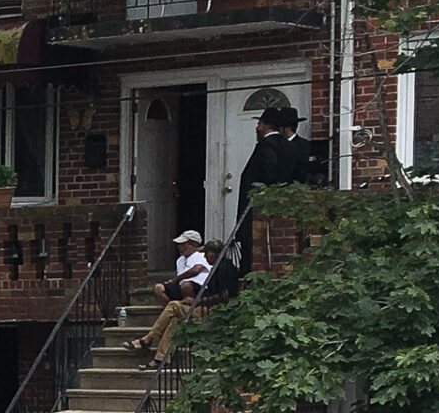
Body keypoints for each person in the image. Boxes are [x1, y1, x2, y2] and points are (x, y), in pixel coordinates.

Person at [126, 239, 239, 370]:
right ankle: (161, 359)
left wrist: (197, 301)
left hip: (215, 312)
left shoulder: (226, 269)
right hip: (205, 307)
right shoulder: (217, 267)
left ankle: (149, 338)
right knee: (174, 320)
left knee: (173, 305)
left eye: (206, 254)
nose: (204, 256)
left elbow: (225, 296)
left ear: (213, 254)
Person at [234, 107, 297, 275]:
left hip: (258, 209)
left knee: (252, 250)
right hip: (280, 209)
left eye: (259, 124)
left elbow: (271, 172)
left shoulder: (266, 145)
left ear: (267, 126)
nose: (257, 128)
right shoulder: (289, 146)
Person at [149, 230, 210, 304]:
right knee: (158, 288)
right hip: (181, 286)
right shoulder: (180, 260)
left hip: (199, 287)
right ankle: (173, 307)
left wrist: (175, 279)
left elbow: (195, 270)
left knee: (186, 286)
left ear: (192, 244)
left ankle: (192, 308)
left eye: (183, 244)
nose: (179, 246)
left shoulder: (202, 256)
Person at [275, 105, 313, 185]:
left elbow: (301, 170)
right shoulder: (276, 144)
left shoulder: (302, 145)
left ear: (286, 128)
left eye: (279, 127)